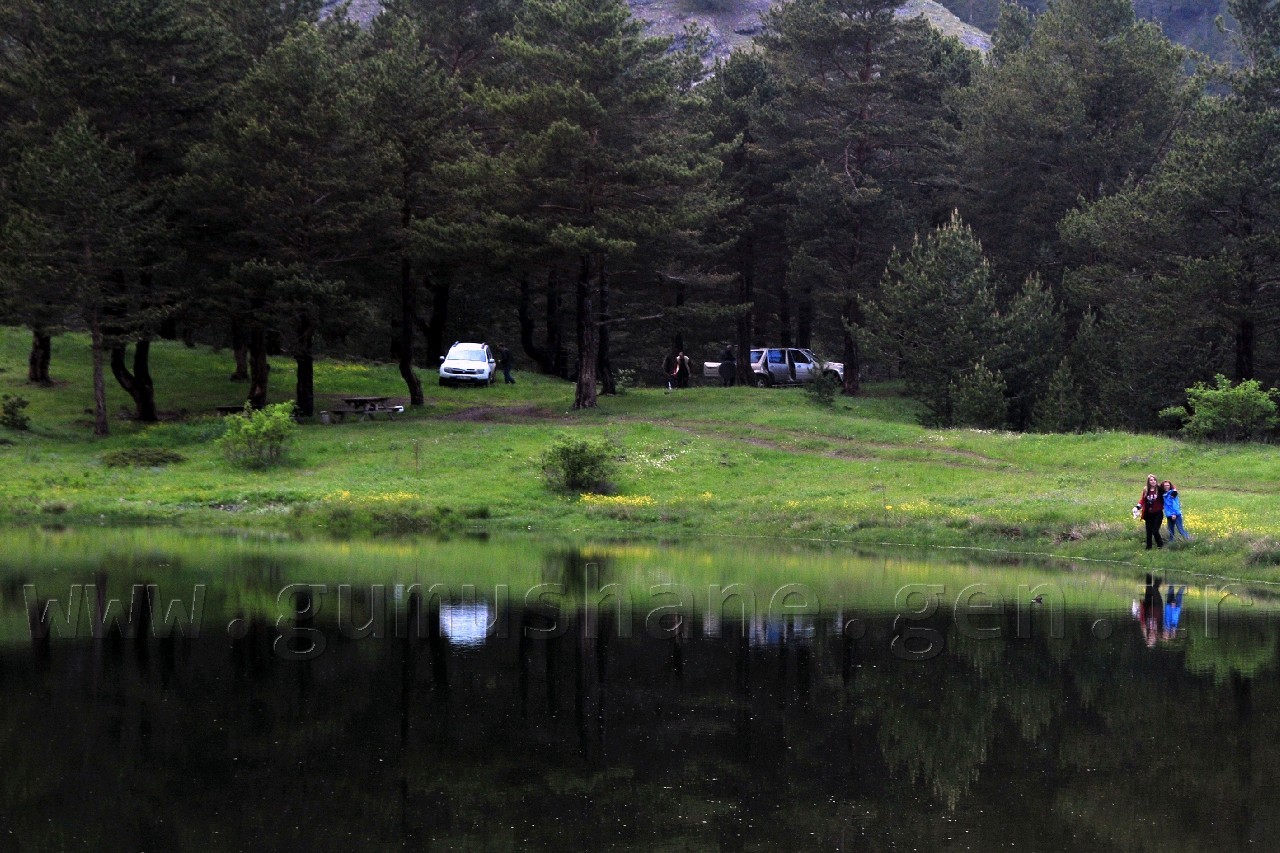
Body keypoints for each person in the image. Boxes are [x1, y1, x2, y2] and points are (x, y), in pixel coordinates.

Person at [1135, 475, 1164, 549]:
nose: (1153, 481)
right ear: (1148, 481)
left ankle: (1160, 545)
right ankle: (1148, 547)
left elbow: (1170, 487)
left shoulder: (1159, 489)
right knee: (1148, 532)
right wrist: (1137, 507)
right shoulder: (1146, 490)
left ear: (1156, 480)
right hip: (1148, 513)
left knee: (1155, 531)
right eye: (1151, 480)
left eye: (1154, 479)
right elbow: (1142, 500)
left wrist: (1174, 492)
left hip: (1158, 513)